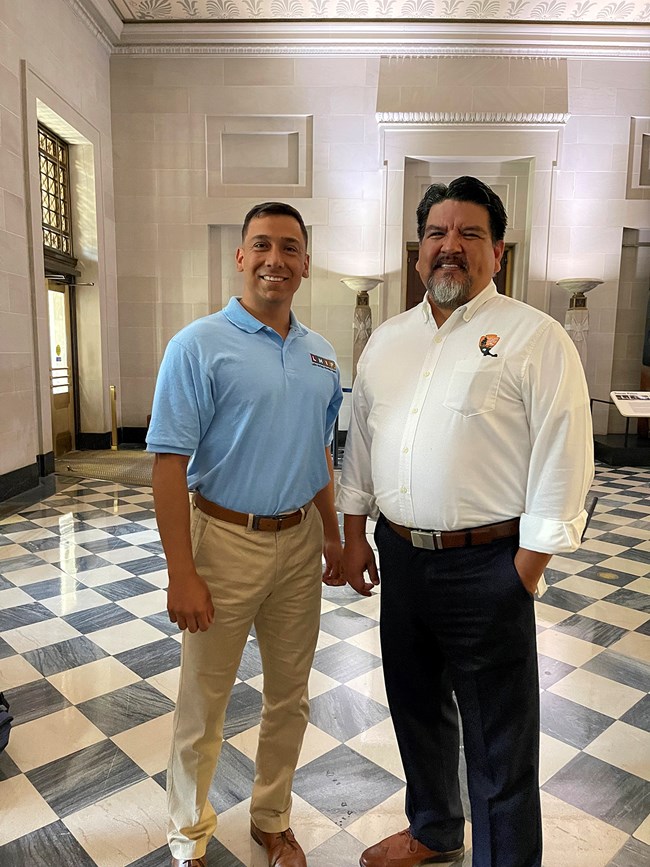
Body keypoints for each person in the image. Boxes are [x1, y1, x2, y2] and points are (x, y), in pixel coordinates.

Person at [337, 177, 594, 867]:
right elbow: (360, 443)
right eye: (437, 234)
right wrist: (354, 533)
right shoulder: (387, 341)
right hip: (402, 557)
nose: (450, 246)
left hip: (491, 564)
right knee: (415, 704)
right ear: (419, 252)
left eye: (469, 234)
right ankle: (435, 828)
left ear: (497, 251)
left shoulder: (534, 338)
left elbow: (564, 454)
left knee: (499, 739)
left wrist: (525, 568)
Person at [146, 202, 344, 867]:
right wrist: (182, 571)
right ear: (240, 256)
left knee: (290, 697)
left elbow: (320, 455)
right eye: (262, 245)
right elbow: (169, 463)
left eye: (290, 248)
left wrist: (334, 536)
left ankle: (271, 817)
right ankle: (188, 835)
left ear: (306, 264)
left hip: (299, 543)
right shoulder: (198, 345)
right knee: (204, 701)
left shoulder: (322, 356)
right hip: (223, 539)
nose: (275, 259)